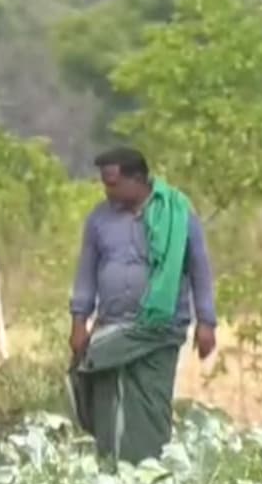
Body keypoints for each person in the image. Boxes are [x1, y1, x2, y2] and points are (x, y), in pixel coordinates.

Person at [67, 146, 217, 467]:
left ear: (137, 180)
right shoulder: (99, 220)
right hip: (111, 324)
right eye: (104, 184)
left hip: (160, 329)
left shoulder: (177, 213)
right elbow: (86, 271)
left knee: (150, 403)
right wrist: (79, 320)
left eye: (113, 183)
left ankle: (151, 471)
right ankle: (112, 466)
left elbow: (200, 268)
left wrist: (207, 322)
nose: (107, 190)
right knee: (100, 386)